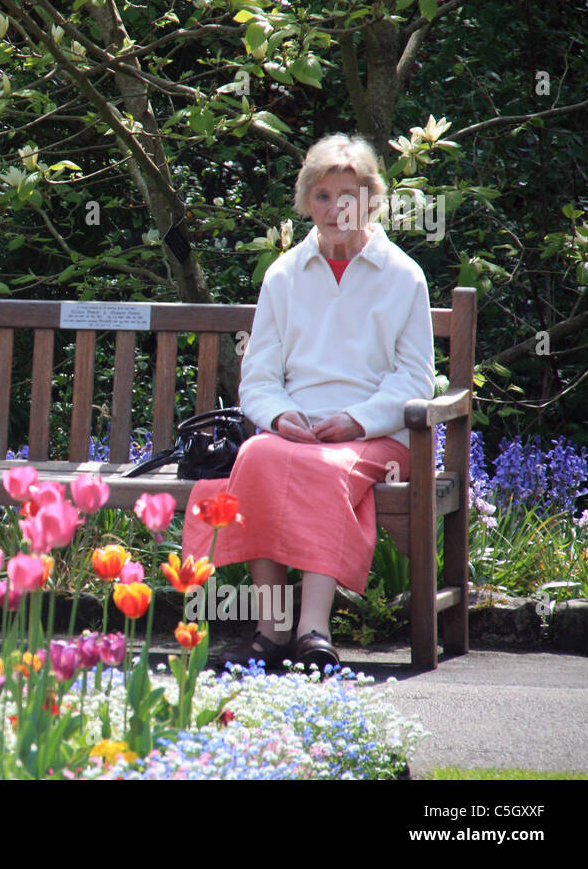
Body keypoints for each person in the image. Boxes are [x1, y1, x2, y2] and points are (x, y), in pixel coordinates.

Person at [181, 133, 435, 671]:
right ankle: (271, 630)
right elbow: (259, 378)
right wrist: (278, 416)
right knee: (257, 457)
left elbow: (416, 379)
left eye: (349, 194)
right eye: (322, 195)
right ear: (306, 202)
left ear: (371, 199)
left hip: (377, 434)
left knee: (324, 468)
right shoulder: (283, 275)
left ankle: (313, 630)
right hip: (295, 431)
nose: (336, 207)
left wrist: (354, 420)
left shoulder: (404, 276)